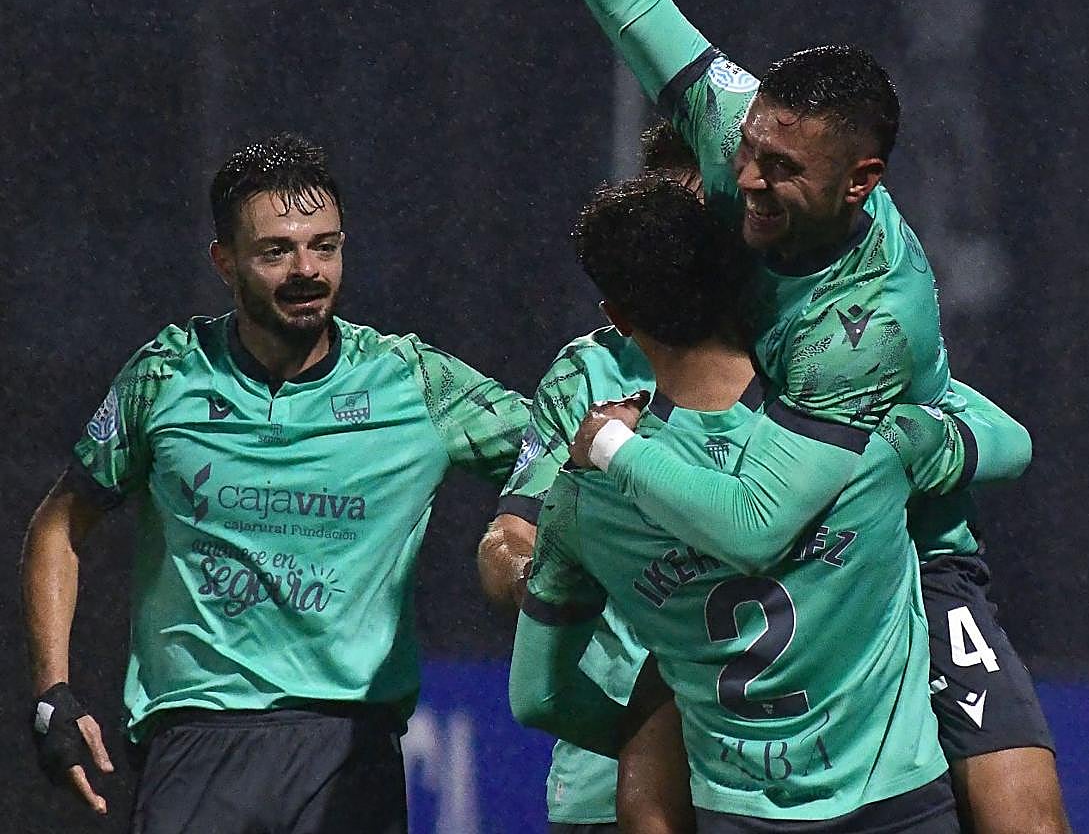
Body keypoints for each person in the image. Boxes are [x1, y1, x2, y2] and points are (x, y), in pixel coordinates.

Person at [564, 0, 1070, 831]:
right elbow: (638, 9)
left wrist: (616, 447)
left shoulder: (864, 325)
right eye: (749, 152)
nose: (748, 181)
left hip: (897, 555)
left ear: (861, 181)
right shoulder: (740, 132)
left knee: (1027, 821)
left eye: (784, 169)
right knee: (647, 793)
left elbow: (757, 524)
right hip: (757, 528)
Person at [21, 133, 529, 833]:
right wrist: (53, 690)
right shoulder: (167, 376)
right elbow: (59, 523)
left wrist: (522, 528)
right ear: (223, 262)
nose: (307, 270)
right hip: (197, 741)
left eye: (325, 246)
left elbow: (557, 449)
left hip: (349, 750)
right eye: (276, 251)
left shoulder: (413, 382)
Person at [509, 174, 1026, 832]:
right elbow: (1011, 445)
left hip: (737, 811)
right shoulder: (861, 430)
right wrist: (917, 422)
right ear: (743, 274)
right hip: (896, 803)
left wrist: (671, 742)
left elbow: (538, 697)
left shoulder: (583, 501)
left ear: (617, 317)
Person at [479, 121, 692, 834]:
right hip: (607, 788)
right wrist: (545, 583)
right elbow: (509, 538)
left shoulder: (793, 349)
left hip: (772, 774)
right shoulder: (589, 373)